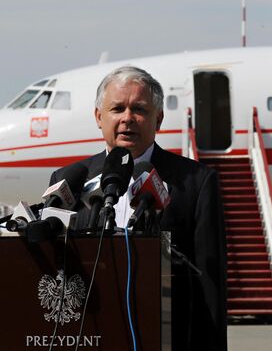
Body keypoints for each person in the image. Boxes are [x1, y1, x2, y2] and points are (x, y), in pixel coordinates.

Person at [49, 66, 227, 350]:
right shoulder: (69, 180)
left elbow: (210, 285)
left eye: (139, 109)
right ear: (98, 117)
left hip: (164, 338)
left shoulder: (196, 183)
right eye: (117, 108)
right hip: (88, 335)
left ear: (158, 119)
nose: (127, 118)